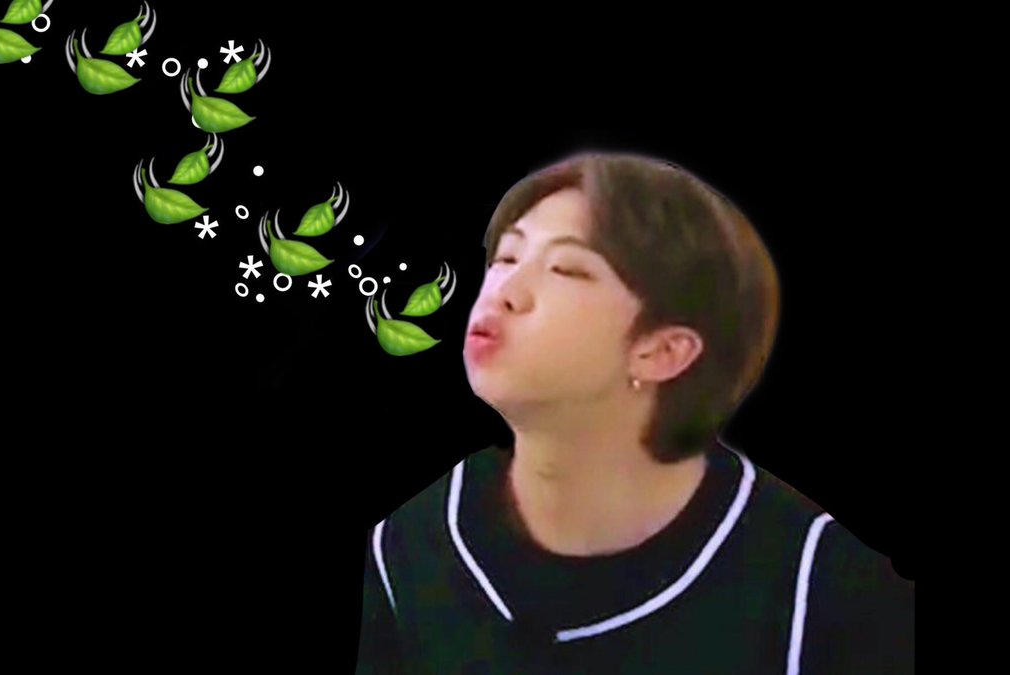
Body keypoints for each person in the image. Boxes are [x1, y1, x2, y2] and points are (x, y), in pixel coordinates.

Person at [354, 152, 914, 674]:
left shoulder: (824, 592)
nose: (505, 290)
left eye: (566, 269)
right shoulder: (409, 548)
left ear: (664, 351)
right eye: (506, 257)